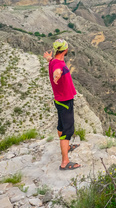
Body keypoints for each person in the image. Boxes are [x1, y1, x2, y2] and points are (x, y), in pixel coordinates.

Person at [43, 39, 81, 171]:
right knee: (67, 130)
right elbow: (57, 70)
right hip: (65, 101)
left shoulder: (54, 61)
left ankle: (67, 147)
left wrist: (48, 57)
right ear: (65, 50)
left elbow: (52, 62)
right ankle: (65, 162)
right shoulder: (58, 64)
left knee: (61, 125)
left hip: (59, 99)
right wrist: (56, 75)